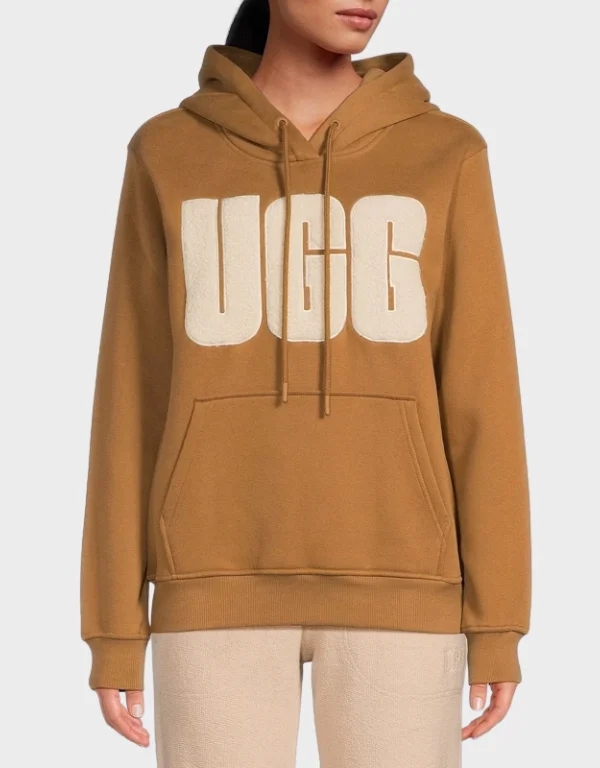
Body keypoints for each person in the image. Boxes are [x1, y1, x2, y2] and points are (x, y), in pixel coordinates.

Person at [80, 1, 532, 765]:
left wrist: (498, 619)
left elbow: (481, 398)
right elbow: (130, 397)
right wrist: (114, 627)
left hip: (404, 589)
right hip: (211, 586)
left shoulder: (447, 153)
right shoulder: (168, 152)